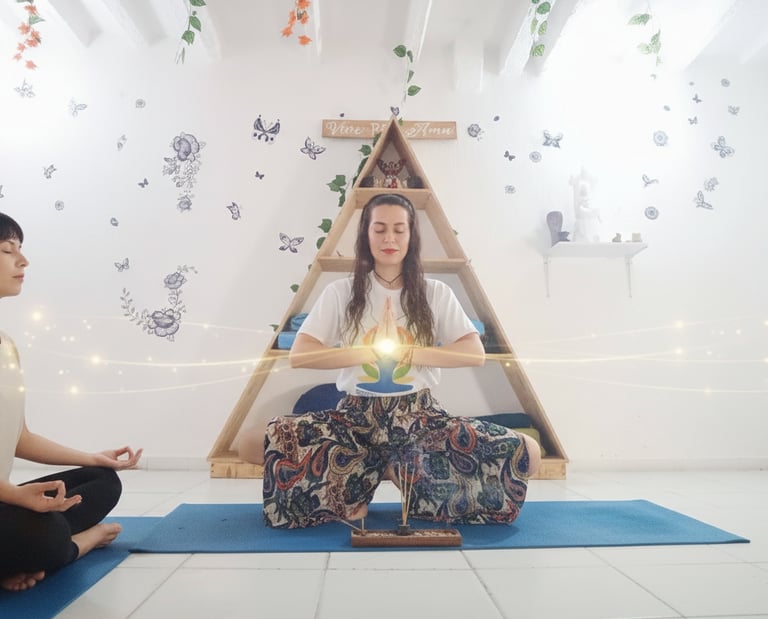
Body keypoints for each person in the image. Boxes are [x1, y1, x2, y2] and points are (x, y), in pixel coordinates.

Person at [239, 193, 540, 528]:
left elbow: (473, 352)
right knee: (251, 443)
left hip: (420, 421)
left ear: (411, 237)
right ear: (366, 235)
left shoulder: (435, 292)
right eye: (379, 229)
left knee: (529, 451)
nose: (389, 239)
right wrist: (364, 353)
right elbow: (301, 354)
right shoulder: (341, 292)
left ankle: (376, 473)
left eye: (399, 230)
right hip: (354, 421)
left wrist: (407, 353)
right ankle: (382, 468)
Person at [0, 212, 142, 592]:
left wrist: (92, 457)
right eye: (7, 251)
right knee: (40, 535)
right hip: (4, 498)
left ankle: (22, 555)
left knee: (102, 481)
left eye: (21, 251)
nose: (23, 261)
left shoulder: (7, 346)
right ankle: (79, 543)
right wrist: (14, 495)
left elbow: (19, 437)